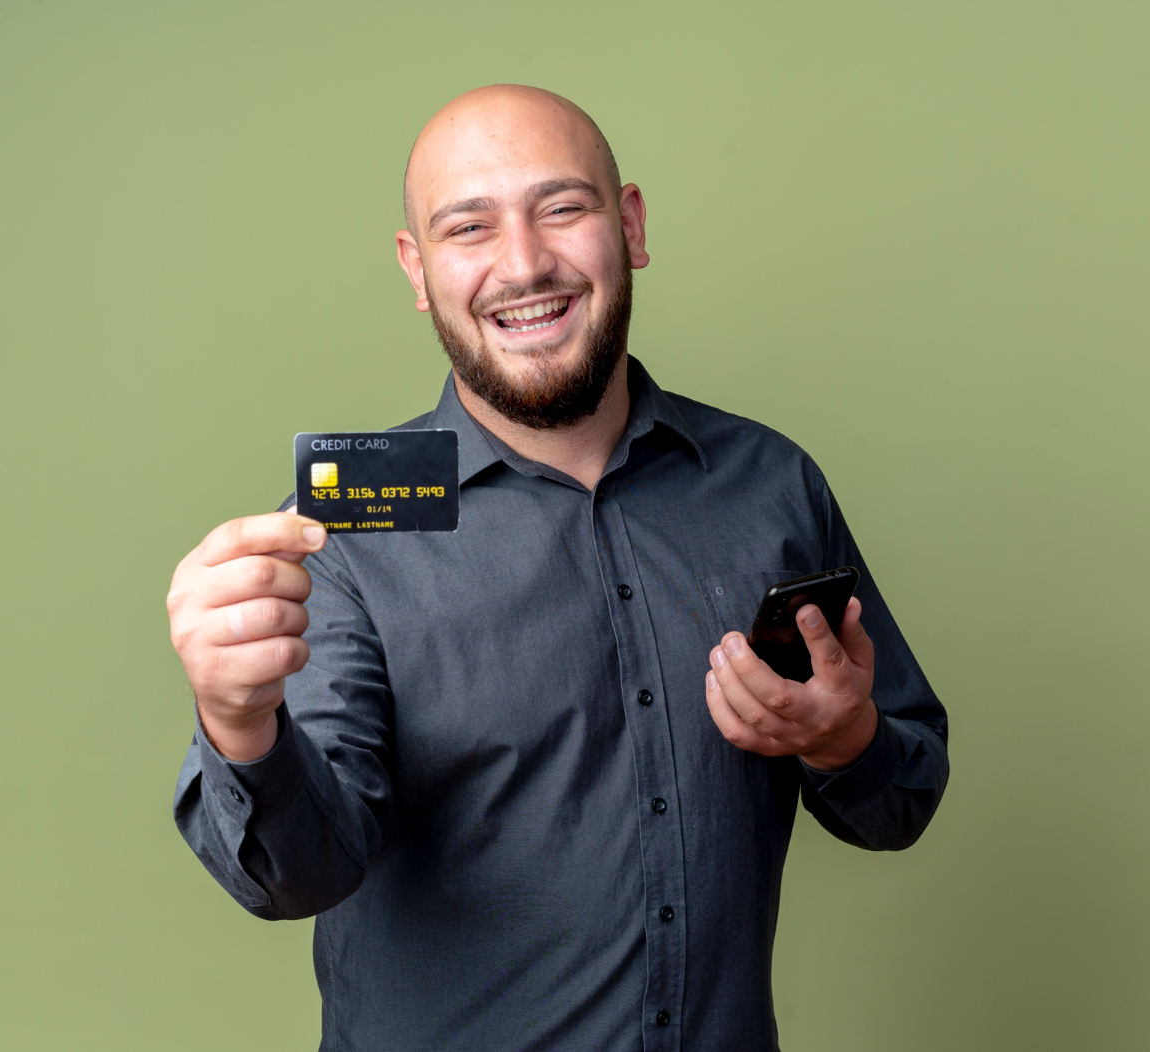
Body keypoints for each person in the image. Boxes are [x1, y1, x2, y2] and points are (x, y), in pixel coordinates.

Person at [168, 84, 949, 1052]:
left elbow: (903, 795)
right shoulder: (341, 539)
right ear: (418, 270)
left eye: (562, 208)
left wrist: (847, 740)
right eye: (469, 227)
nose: (524, 263)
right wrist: (240, 724)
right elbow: (301, 870)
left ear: (630, 224)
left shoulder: (771, 486)